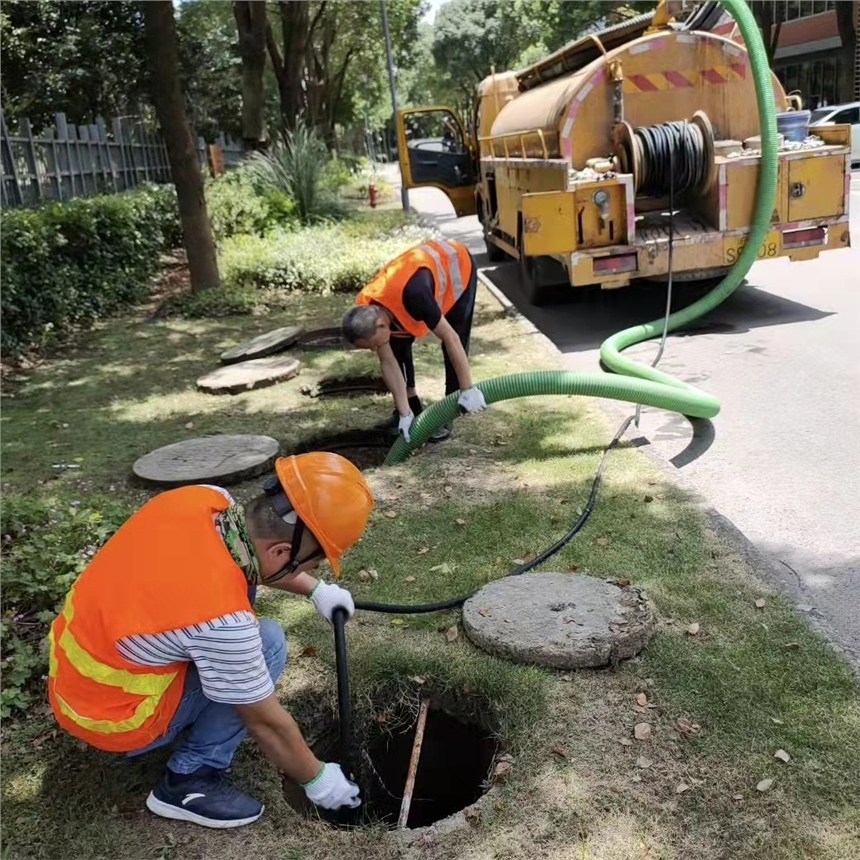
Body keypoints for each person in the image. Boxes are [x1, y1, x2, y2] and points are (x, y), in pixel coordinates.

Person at [47, 452, 373, 829]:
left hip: (77, 685)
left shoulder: (202, 500)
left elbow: (256, 555)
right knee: (267, 644)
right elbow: (266, 723)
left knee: (245, 618)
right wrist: (317, 779)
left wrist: (315, 590)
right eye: (310, 565)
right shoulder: (221, 623)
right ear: (282, 553)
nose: (307, 572)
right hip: (116, 719)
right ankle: (187, 782)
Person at [341, 239, 487, 443]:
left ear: (382, 325)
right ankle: (412, 408)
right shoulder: (369, 308)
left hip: (458, 267)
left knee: (454, 337)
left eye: (373, 344)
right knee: (396, 348)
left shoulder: (415, 295)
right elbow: (388, 362)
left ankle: (450, 407)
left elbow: (451, 337)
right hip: (414, 287)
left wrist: (468, 388)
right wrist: (404, 413)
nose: (375, 349)